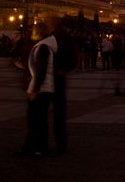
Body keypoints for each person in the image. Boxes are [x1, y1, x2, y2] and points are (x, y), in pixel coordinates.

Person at [20, 21, 58, 158]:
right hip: (43, 88)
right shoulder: (44, 46)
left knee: (37, 120)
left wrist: (35, 90)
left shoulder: (43, 47)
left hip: (41, 90)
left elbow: (41, 72)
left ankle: (39, 148)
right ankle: (34, 147)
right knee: (37, 120)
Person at [51, 16, 76, 150]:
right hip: (48, 78)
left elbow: (72, 58)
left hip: (57, 78)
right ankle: (58, 140)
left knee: (59, 112)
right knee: (57, 112)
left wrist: (63, 69)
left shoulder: (64, 38)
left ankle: (61, 141)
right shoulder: (48, 38)